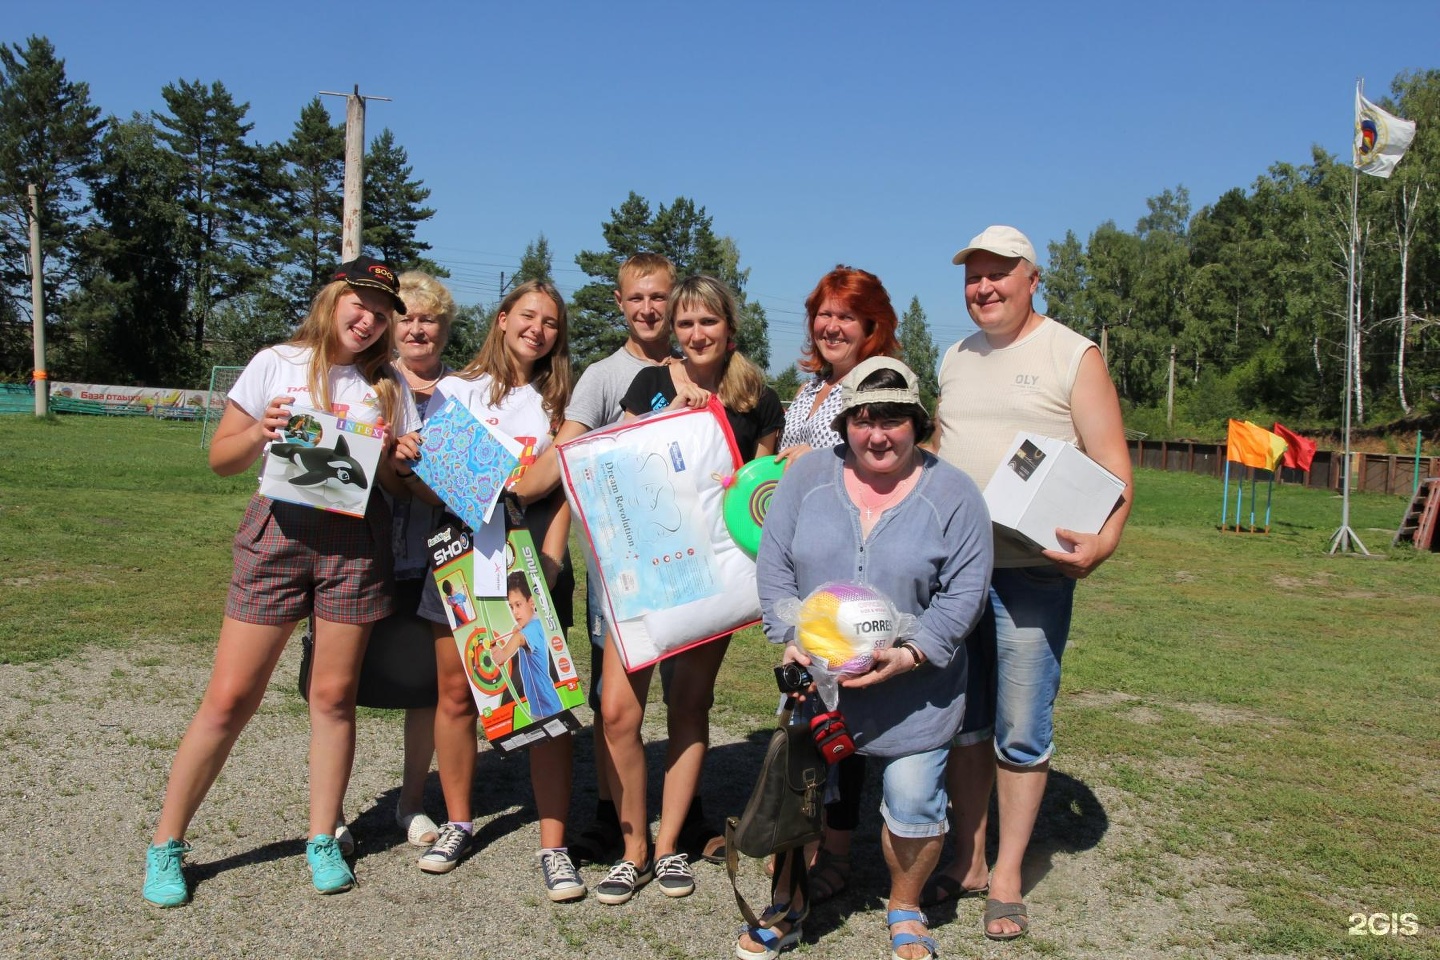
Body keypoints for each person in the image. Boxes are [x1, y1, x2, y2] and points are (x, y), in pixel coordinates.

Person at [142, 256, 414, 905]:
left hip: (353, 546)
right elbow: (220, 460)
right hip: (280, 536)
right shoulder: (277, 362)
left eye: (381, 312)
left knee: (333, 697)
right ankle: (166, 844)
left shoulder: (388, 385)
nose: (368, 318)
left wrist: (401, 459)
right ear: (333, 298)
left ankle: (322, 836)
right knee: (231, 697)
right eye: (360, 302)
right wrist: (260, 430)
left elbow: (397, 484)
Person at [925, 226, 1132, 941]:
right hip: (957, 572)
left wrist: (1102, 544)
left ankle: (1008, 872)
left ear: (1030, 277)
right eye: (972, 278)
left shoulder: (1072, 354)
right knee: (965, 721)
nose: (983, 289)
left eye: (997, 276)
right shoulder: (953, 356)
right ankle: (967, 856)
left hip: (1033, 575)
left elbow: (1113, 467)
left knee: (1020, 725)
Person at [748, 357, 993, 960]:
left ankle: (905, 905)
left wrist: (912, 653)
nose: (877, 434)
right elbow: (774, 564)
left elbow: (966, 592)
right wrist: (788, 630)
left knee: (912, 800)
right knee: (800, 795)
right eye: (863, 419)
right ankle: (790, 902)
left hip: (915, 690)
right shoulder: (807, 481)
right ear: (846, 424)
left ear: (917, 422)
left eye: (893, 420)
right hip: (817, 681)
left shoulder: (955, 493)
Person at [510, 252, 722, 867]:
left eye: (659, 297)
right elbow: (568, 452)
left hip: (689, 570)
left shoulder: (701, 363)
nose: (649, 309)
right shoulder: (603, 377)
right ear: (620, 303)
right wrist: (521, 486)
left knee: (687, 700)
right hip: (622, 574)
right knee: (615, 705)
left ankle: (690, 815)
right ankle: (610, 815)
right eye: (637, 299)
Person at [596, 275, 785, 905]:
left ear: (730, 328)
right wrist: (671, 416)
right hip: (642, 573)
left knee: (689, 707)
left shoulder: (759, 397)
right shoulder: (650, 384)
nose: (696, 334)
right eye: (685, 324)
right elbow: (614, 463)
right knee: (619, 712)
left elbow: (758, 498)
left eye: (708, 322)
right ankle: (633, 851)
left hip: (710, 577)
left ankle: (671, 844)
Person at [395, 278, 585, 902]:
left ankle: (554, 847)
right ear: (502, 319)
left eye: (551, 322)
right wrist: (418, 466)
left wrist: (552, 562)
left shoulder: (562, 402)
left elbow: (559, 493)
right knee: (456, 695)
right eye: (528, 316)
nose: (538, 329)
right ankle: (457, 822)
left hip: (528, 567)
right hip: (456, 559)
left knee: (544, 702)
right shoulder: (454, 391)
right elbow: (427, 487)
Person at [771, 265, 902, 904]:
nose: (831, 326)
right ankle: (811, 835)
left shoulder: (875, 387)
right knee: (812, 708)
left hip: (851, 576)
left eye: (846, 316)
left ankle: (838, 852)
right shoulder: (811, 388)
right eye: (823, 313)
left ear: (872, 324)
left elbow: (880, 461)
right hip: (806, 570)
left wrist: (814, 460)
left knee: (843, 714)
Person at [381, 270, 458, 848]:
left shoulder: (462, 393)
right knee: (346, 683)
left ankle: (411, 801)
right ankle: (330, 811)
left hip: (438, 556)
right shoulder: (371, 382)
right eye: (405, 316)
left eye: (427, 318)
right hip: (370, 550)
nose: (416, 328)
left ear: (444, 328)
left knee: (427, 687)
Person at [492, 571, 564, 722]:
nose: (515, 612)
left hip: (548, 709)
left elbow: (519, 639)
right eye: (511, 606)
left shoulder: (533, 627)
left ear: (531, 602)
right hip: (540, 707)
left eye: (518, 605)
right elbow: (519, 637)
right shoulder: (530, 625)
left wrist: (502, 654)